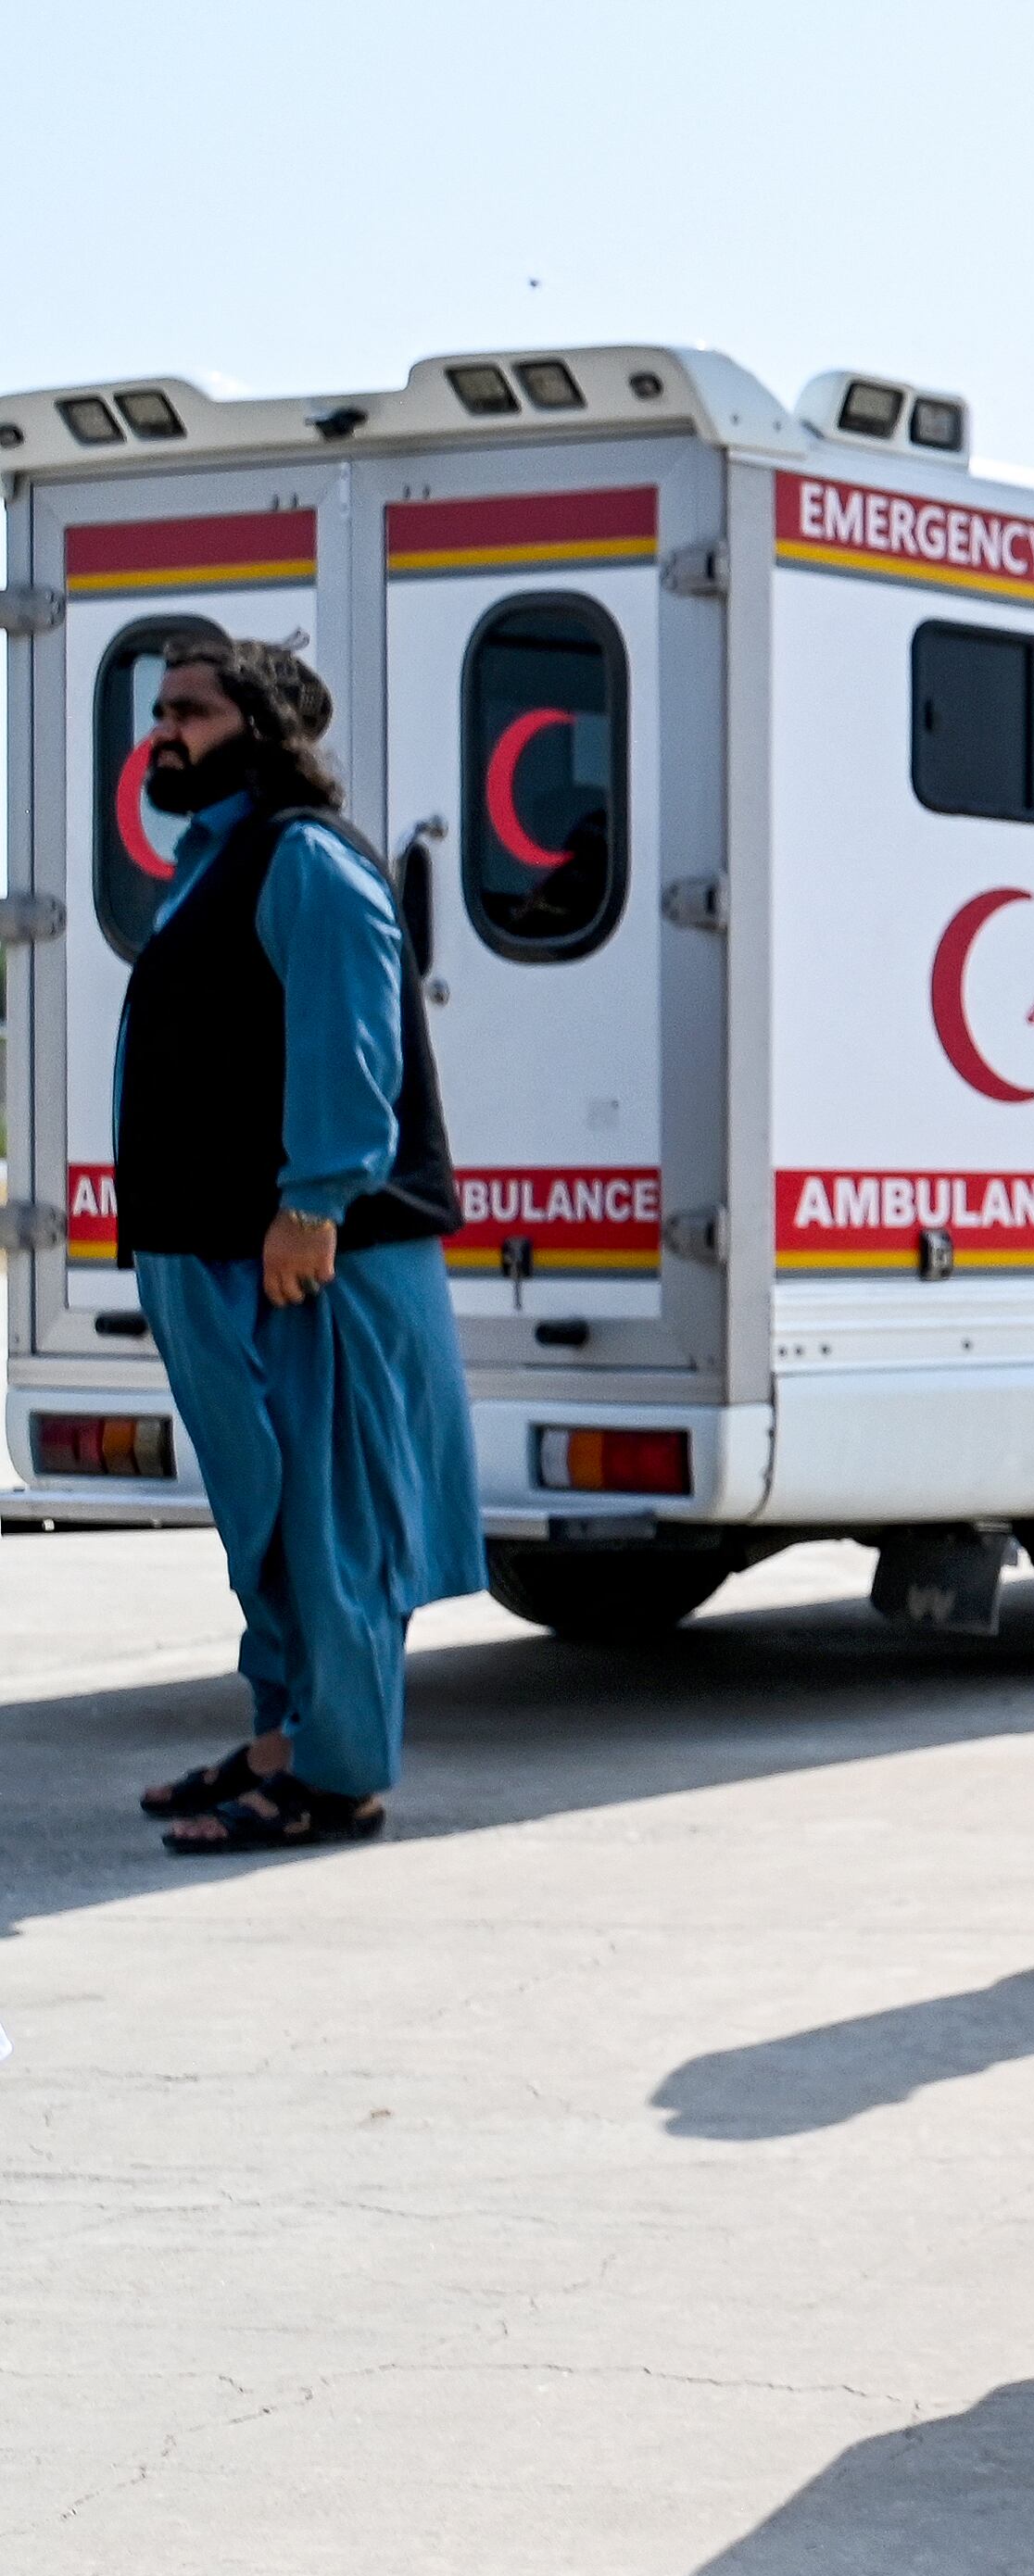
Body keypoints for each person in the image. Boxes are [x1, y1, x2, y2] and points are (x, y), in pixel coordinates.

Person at [116, 635, 483, 1854]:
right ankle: (279, 1739)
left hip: (308, 1258)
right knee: (266, 1523)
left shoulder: (309, 860)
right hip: (216, 1253)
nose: (163, 733)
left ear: (261, 730)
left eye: (191, 712)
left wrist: (313, 1204)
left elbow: (348, 1046)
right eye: (160, 711)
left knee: (335, 1530)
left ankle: (338, 1777)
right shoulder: (209, 859)